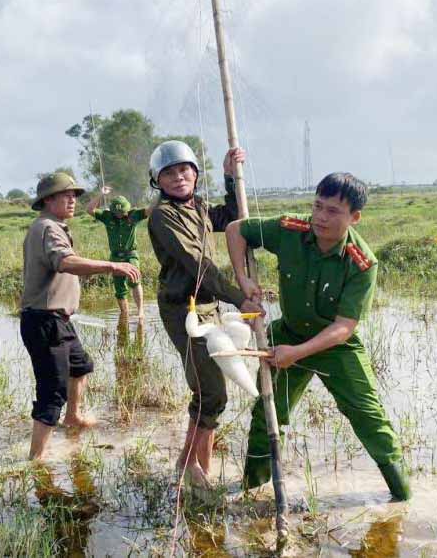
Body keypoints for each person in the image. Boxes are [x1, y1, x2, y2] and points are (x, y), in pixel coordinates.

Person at [225, 172, 410, 501]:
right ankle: (253, 491)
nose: (320, 218)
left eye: (333, 211)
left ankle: (402, 497)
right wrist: (243, 278)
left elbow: (344, 327)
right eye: (317, 206)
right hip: (288, 334)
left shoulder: (362, 263)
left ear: (354, 217)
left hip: (333, 345)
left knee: (369, 418)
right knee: (266, 413)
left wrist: (298, 352)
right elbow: (236, 230)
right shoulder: (291, 230)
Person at [147, 140, 264, 488]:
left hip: (208, 307)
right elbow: (198, 266)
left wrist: (231, 178)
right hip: (183, 308)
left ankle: (193, 465)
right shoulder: (163, 216)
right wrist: (239, 298)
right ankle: (192, 466)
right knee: (212, 393)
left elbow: (230, 218)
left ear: (196, 174)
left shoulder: (197, 206)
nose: (179, 177)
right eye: (169, 173)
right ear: (158, 180)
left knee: (210, 392)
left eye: (185, 170)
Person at [20, 172, 141, 460]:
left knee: (81, 366)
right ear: (48, 200)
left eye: (74, 195)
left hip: (58, 321)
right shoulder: (48, 228)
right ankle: (36, 458)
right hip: (45, 321)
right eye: (66, 195)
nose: (73, 200)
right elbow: (66, 262)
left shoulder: (52, 226)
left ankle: (73, 417)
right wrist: (112, 266)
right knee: (52, 393)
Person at [86, 195, 152, 321]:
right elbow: (89, 210)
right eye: (117, 213)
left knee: (135, 280)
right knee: (119, 288)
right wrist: (100, 195)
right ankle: (125, 314)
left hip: (131, 255)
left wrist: (163, 194)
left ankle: (140, 312)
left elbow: (150, 210)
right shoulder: (107, 217)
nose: (120, 215)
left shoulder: (134, 215)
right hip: (115, 257)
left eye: (122, 212)